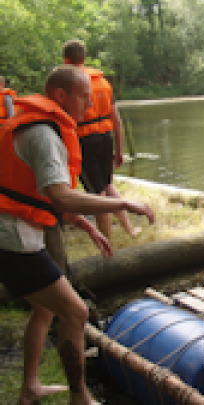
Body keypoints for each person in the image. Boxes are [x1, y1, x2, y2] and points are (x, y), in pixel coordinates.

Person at [0, 65, 154, 405]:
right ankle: (79, 397)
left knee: (44, 309)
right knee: (76, 312)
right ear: (60, 95)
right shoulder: (44, 134)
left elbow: (35, 194)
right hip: (14, 240)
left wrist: (84, 224)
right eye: (85, 97)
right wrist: (123, 202)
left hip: (14, 232)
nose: (90, 105)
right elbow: (59, 195)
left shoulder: (40, 125)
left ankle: (30, 388)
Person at [63, 39, 140, 241]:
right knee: (108, 185)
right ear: (85, 58)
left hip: (84, 140)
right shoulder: (102, 82)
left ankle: (106, 241)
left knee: (97, 194)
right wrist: (120, 150)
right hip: (106, 138)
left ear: (66, 60)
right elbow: (117, 119)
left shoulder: (70, 84)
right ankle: (129, 229)